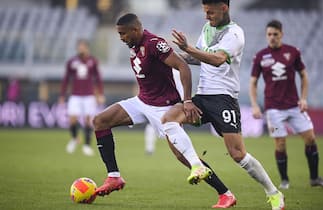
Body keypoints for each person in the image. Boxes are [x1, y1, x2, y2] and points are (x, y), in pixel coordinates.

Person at [93, 13, 236, 208]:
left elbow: (183, 67)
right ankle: (114, 177)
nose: (121, 38)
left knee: (182, 157)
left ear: (135, 30)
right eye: (119, 34)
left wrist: (186, 101)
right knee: (100, 121)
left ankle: (225, 193)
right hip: (142, 102)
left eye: (123, 34)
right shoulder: (134, 45)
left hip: (164, 107)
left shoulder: (154, 43)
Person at [161, 0, 285, 209]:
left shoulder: (234, 34)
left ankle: (274, 192)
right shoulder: (207, 29)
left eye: (210, 12)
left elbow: (217, 59)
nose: (206, 16)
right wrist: (169, 58)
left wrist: (188, 47)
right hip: (202, 97)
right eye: (204, 11)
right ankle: (218, 187)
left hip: (224, 99)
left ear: (224, 8)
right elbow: (198, 58)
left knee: (238, 154)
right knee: (169, 121)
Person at [249, 19, 323, 190]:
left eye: (275, 34)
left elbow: (304, 75)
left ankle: (315, 178)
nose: (272, 37)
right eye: (269, 34)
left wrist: (303, 98)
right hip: (273, 108)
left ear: (281, 34)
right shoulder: (260, 56)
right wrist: (255, 105)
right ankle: (285, 181)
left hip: (294, 106)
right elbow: (253, 82)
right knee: (280, 143)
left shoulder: (292, 52)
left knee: (310, 138)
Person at [59, 39, 105, 156]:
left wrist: (100, 94)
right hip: (75, 95)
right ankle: (75, 138)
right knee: (72, 119)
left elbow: (98, 78)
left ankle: (87, 146)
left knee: (88, 121)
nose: (81, 49)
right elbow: (66, 79)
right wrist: (62, 95)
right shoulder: (71, 62)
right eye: (79, 47)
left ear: (87, 48)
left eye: (83, 47)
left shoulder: (93, 61)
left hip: (89, 95)